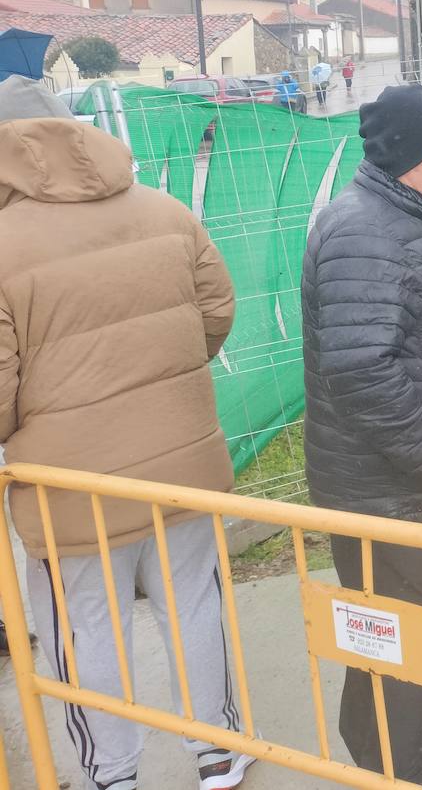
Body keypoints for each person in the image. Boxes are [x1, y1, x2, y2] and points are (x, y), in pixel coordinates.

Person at [0, 77, 252, 790]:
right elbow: (216, 312)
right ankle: (219, 752)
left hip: (66, 488)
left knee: (86, 627)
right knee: (195, 601)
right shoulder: (167, 212)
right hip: (183, 461)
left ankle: (111, 773)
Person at [302, 84, 422, 787]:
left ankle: (395, 741)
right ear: (398, 153)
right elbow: (361, 372)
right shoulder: (365, 230)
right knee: (395, 634)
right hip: (389, 491)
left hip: (402, 488)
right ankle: (389, 763)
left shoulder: (398, 213)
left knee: (399, 628)